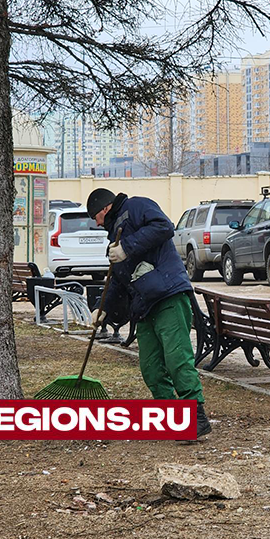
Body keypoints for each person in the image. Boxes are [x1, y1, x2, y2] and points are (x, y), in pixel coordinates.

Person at [86, 187, 211, 437]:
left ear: (104, 209)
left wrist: (128, 247)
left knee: (177, 360)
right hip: (143, 306)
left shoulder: (137, 206)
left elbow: (165, 227)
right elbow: (118, 282)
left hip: (168, 295)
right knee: (151, 367)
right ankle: (172, 417)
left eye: (95, 217)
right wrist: (103, 309)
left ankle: (196, 416)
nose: (96, 223)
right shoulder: (114, 241)